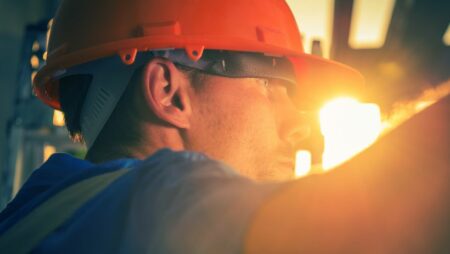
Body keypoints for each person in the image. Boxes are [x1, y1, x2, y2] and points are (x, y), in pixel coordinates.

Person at [0, 0, 449, 253]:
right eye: (274, 86)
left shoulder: (30, 215)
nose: (298, 127)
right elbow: (381, 224)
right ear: (170, 93)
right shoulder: (161, 199)